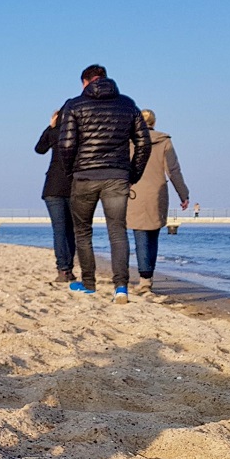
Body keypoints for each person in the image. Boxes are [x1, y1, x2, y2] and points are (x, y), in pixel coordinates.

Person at [58, 64, 151, 304]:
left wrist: (71, 172)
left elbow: (66, 145)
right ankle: (120, 287)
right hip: (117, 176)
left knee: (83, 231)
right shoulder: (127, 104)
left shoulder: (74, 104)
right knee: (118, 232)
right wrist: (132, 174)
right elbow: (144, 144)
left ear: (85, 82)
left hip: (84, 176)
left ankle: (89, 283)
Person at [127, 109, 189, 293]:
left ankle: (144, 280)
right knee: (153, 235)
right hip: (157, 192)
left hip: (135, 191)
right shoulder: (164, 141)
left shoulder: (130, 142)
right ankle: (148, 277)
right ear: (154, 122)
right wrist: (183, 195)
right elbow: (173, 170)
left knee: (140, 236)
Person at [35, 109, 76, 282]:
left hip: (53, 186)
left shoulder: (55, 133)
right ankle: (68, 268)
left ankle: (63, 269)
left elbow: (39, 149)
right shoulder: (77, 134)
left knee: (59, 230)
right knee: (70, 230)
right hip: (73, 186)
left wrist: (50, 127)